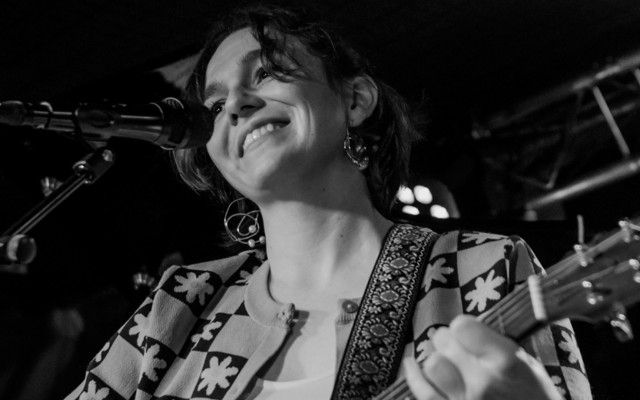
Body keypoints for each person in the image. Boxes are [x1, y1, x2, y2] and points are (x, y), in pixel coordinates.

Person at [65, 4, 591, 400]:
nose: (236, 105)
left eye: (265, 72)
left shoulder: (483, 268)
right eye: (216, 105)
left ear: (355, 100)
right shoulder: (177, 305)